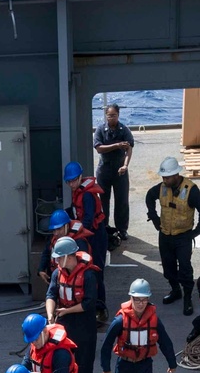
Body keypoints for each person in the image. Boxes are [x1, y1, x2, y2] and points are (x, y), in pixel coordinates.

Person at [144, 156, 200, 316]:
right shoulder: (162, 188)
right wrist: (154, 217)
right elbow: (149, 196)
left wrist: (198, 230)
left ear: (176, 175)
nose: (164, 180)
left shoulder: (191, 190)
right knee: (168, 267)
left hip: (183, 237)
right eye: (163, 177)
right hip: (165, 235)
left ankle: (187, 297)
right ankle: (175, 290)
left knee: (185, 268)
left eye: (167, 177)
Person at [46, 236, 99, 373]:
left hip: (84, 321)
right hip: (64, 319)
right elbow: (51, 295)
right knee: (63, 357)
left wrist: (66, 311)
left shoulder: (89, 275)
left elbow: (89, 303)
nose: (58, 261)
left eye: (60, 258)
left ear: (70, 256)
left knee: (84, 359)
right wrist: (50, 315)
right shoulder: (57, 273)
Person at [64, 160, 108, 319]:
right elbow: (75, 211)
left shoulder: (87, 195)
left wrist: (73, 233)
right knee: (85, 269)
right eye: (69, 181)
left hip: (96, 235)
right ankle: (87, 303)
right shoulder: (77, 191)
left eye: (74, 180)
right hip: (87, 234)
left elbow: (88, 219)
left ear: (80, 177)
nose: (71, 184)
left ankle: (100, 307)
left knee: (96, 270)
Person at [93, 103, 134, 241]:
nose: (111, 118)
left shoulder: (124, 130)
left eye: (114, 115)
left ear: (118, 115)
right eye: (109, 115)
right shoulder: (100, 130)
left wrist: (125, 165)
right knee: (103, 201)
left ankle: (122, 229)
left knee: (122, 201)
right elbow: (99, 148)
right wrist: (117, 145)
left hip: (119, 171)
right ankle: (104, 228)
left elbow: (129, 149)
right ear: (105, 115)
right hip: (104, 170)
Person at [37, 208, 92, 279]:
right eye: (54, 230)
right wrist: (41, 269)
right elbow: (46, 253)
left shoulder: (79, 242)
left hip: (72, 280)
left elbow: (83, 264)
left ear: (67, 226)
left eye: (59, 229)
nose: (56, 233)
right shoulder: (53, 239)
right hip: (55, 277)